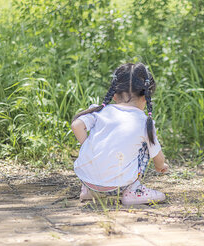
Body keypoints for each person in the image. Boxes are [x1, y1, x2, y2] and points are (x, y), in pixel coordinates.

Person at [71, 63, 170, 205]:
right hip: (119, 185)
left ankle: (90, 191)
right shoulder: (143, 122)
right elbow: (157, 157)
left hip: (87, 179)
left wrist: (88, 147)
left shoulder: (99, 111)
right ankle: (133, 191)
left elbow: (76, 125)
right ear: (145, 97)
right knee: (144, 143)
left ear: (115, 95)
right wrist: (161, 166)